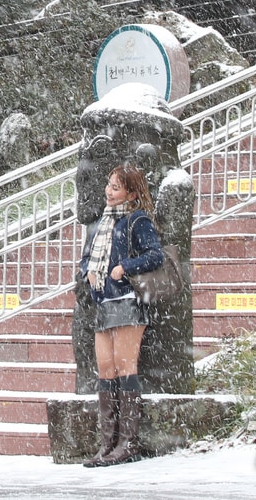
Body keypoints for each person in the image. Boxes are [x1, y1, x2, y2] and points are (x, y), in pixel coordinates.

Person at [77, 163, 164, 466]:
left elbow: (155, 255)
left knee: (126, 368)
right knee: (105, 370)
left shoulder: (137, 219)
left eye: (116, 187)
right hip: (103, 302)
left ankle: (128, 442)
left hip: (127, 300)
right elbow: (87, 257)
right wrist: (87, 271)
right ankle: (107, 443)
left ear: (131, 191)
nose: (109, 191)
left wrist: (125, 267)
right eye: (109, 185)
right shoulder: (102, 221)